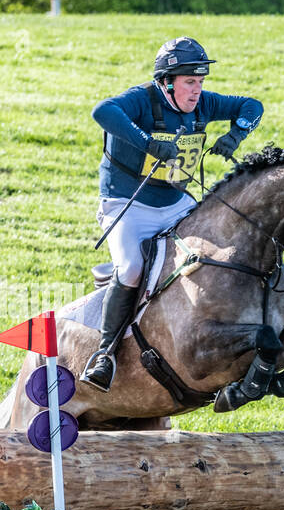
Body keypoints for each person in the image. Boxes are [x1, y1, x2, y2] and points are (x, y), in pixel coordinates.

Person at [82, 37, 263, 392]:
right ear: (166, 82)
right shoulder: (142, 99)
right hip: (127, 205)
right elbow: (102, 112)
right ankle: (105, 354)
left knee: (218, 254)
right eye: (189, 82)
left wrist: (237, 134)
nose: (197, 91)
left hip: (177, 202)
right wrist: (147, 142)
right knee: (132, 268)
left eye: (200, 82)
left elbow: (251, 105)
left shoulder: (204, 104)